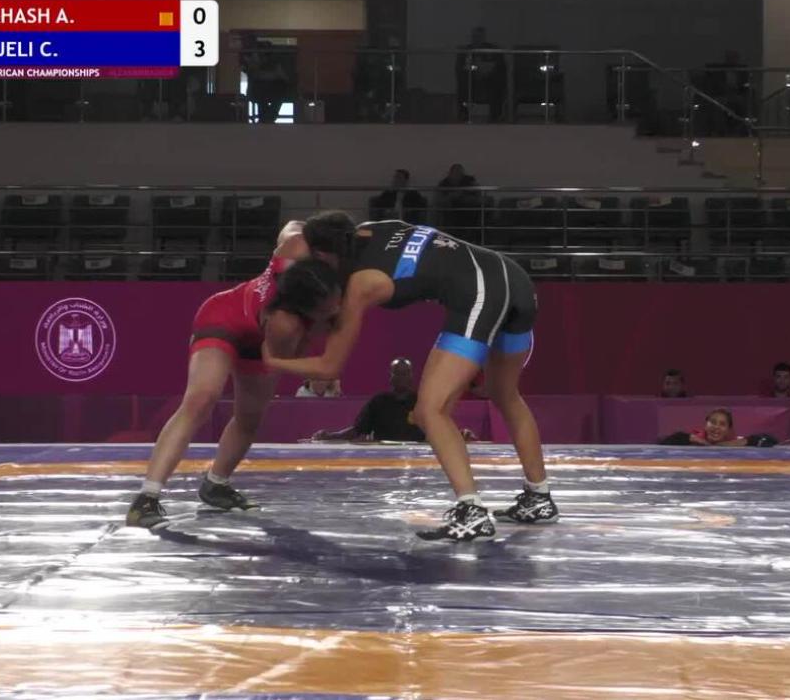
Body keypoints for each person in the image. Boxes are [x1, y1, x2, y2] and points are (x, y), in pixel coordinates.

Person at [266, 212, 557, 542]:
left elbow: (329, 367)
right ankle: (539, 498)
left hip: (481, 294)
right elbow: (295, 234)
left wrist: (273, 360)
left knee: (429, 411)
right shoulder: (374, 228)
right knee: (505, 395)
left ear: (324, 255)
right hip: (515, 279)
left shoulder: (362, 284)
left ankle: (471, 512)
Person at [125, 221, 344, 529]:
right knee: (201, 399)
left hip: (265, 341)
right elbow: (294, 226)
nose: (336, 308)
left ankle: (216, 484)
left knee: (250, 417)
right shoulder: (288, 309)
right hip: (225, 317)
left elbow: (289, 360)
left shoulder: (313, 302)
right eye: (328, 308)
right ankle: (146, 498)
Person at [313, 358, 423, 442]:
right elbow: (358, 430)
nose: (401, 377)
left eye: (405, 373)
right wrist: (331, 436)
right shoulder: (378, 401)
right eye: (397, 373)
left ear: (411, 376)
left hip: (417, 457)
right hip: (386, 456)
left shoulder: (423, 402)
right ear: (390, 376)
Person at [658, 408, 777, 447]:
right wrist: (691, 438)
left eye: (722, 424)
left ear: (729, 430)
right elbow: (662, 443)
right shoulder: (692, 440)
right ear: (706, 424)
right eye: (713, 422)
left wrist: (744, 441)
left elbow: (771, 440)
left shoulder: (736, 443)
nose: (716, 427)